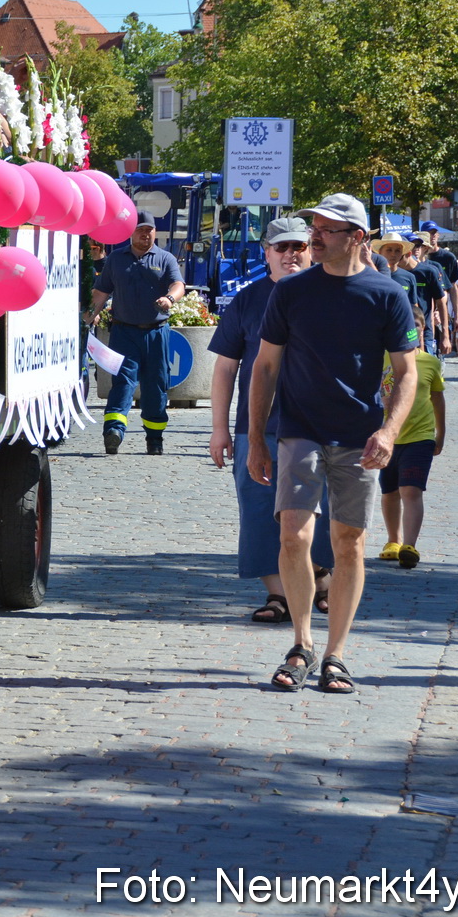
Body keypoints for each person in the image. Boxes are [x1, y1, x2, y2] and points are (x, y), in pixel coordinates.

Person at [247, 192, 419, 695]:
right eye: (314, 227)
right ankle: (301, 643)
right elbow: (265, 366)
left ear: (357, 237)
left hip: (359, 436)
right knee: (293, 537)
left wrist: (389, 432)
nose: (314, 237)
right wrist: (258, 438)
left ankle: (336, 654)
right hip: (300, 429)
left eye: (326, 229)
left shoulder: (386, 294)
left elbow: (406, 373)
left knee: (349, 544)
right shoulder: (292, 292)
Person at [208, 217, 335, 624]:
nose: (290, 254)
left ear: (311, 249)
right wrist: (219, 429)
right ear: (266, 253)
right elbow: (226, 368)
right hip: (258, 427)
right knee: (260, 509)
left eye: (298, 246)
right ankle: (277, 594)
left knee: (323, 509)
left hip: (319, 425)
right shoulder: (247, 300)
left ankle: (323, 577)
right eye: (280, 247)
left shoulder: (331, 294)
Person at [85, 212, 185, 455]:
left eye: (149, 229)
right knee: (123, 382)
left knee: (155, 386)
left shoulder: (165, 258)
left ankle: (154, 438)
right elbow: (101, 292)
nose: (145, 233)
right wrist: (87, 318)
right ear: (131, 231)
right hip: (124, 332)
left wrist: (170, 298)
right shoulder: (116, 259)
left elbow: (178, 285)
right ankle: (114, 431)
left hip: (156, 333)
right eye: (140, 229)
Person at [377, 343, 446, 569]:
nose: (410, 332)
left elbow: (437, 399)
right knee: (389, 492)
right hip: (387, 437)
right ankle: (393, 541)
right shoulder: (379, 357)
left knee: (411, 489)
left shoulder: (430, 362)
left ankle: (409, 546)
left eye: (416, 326)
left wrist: (441, 433)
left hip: (420, 436)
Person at [408, 236, 452, 355]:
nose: (416, 249)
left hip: (425, 332)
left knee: (425, 369)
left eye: (418, 245)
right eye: (412, 245)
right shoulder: (393, 273)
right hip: (400, 333)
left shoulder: (429, 270)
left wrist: (445, 335)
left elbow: (442, 299)